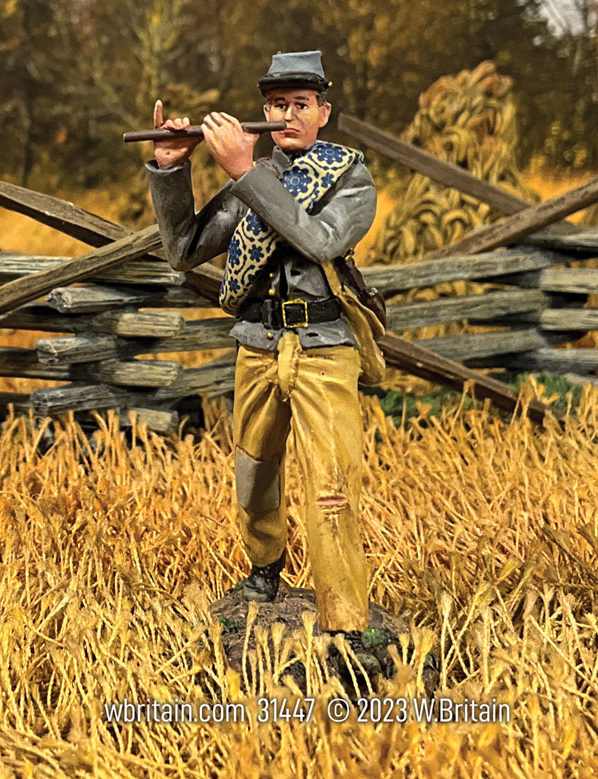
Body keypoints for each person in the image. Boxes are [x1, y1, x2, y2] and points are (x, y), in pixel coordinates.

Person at [145, 50, 381, 679]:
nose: (286, 115)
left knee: (330, 487)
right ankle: (263, 571)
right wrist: (172, 172)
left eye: (300, 104)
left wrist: (247, 171)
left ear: (323, 112)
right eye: (276, 104)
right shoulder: (253, 175)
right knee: (253, 473)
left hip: (323, 350)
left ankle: (347, 621)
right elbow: (183, 251)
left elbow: (320, 240)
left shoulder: (349, 178)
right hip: (256, 343)